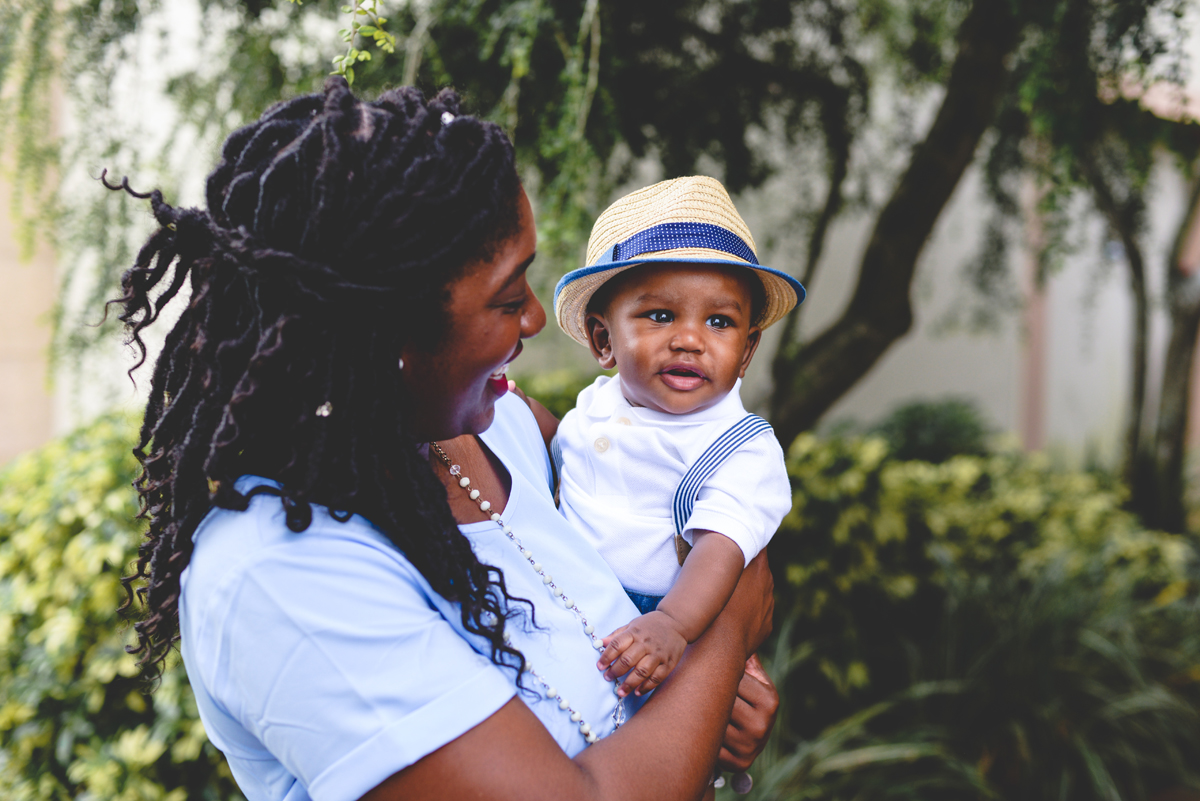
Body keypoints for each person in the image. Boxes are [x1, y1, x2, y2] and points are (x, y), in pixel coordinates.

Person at [109, 77, 778, 801]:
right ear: (389, 334)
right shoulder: (279, 574)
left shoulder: (503, 435)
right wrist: (733, 617)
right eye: (506, 294)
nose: (531, 319)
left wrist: (712, 699)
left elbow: (659, 521)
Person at [531, 177, 803, 700]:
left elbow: (720, 549)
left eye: (719, 322)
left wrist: (673, 626)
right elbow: (564, 449)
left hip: (663, 632)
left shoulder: (740, 447)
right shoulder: (599, 401)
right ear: (603, 339)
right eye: (660, 315)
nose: (689, 340)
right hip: (565, 614)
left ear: (746, 352)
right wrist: (516, 409)